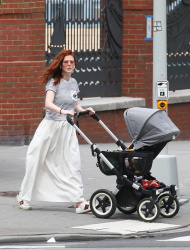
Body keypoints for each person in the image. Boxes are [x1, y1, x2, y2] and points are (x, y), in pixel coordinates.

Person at [16, 49, 95, 214]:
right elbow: (48, 104)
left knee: (73, 163)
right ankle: (24, 196)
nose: (69, 64)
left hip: (67, 129)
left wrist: (85, 110)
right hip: (50, 127)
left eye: (71, 62)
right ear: (60, 64)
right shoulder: (54, 82)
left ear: (74, 64)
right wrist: (62, 111)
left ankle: (79, 201)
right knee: (37, 159)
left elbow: (75, 105)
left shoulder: (73, 83)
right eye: (66, 62)